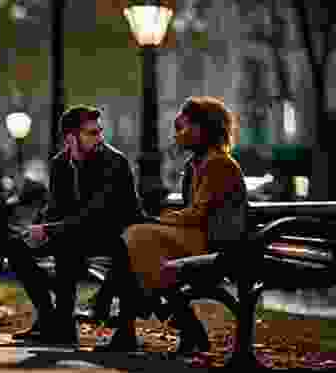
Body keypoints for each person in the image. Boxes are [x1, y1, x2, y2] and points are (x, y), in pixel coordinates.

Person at [95, 96, 247, 352]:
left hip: (215, 243)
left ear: (204, 129)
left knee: (136, 239)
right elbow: (192, 214)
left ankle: (118, 316)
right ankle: (172, 328)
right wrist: (158, 221)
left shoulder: (218, 163)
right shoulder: (196, 164)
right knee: (136, 243)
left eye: (184, 128)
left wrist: (157, 220)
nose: (179, 135)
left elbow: (198, 214)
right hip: (196, 239)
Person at [7, 105, 146, 346]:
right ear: (71, 137)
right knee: (16, 247)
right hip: (74, 231)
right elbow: (55, 207)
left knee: (66, 244)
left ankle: (63, 325)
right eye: (92, 133)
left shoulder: (113, 162)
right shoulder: (60, 163)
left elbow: (96, 214)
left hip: (113, 233)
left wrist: (50, 229)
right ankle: (51, 318)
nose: (100, 138)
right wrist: (39, 229)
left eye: (99, 131)